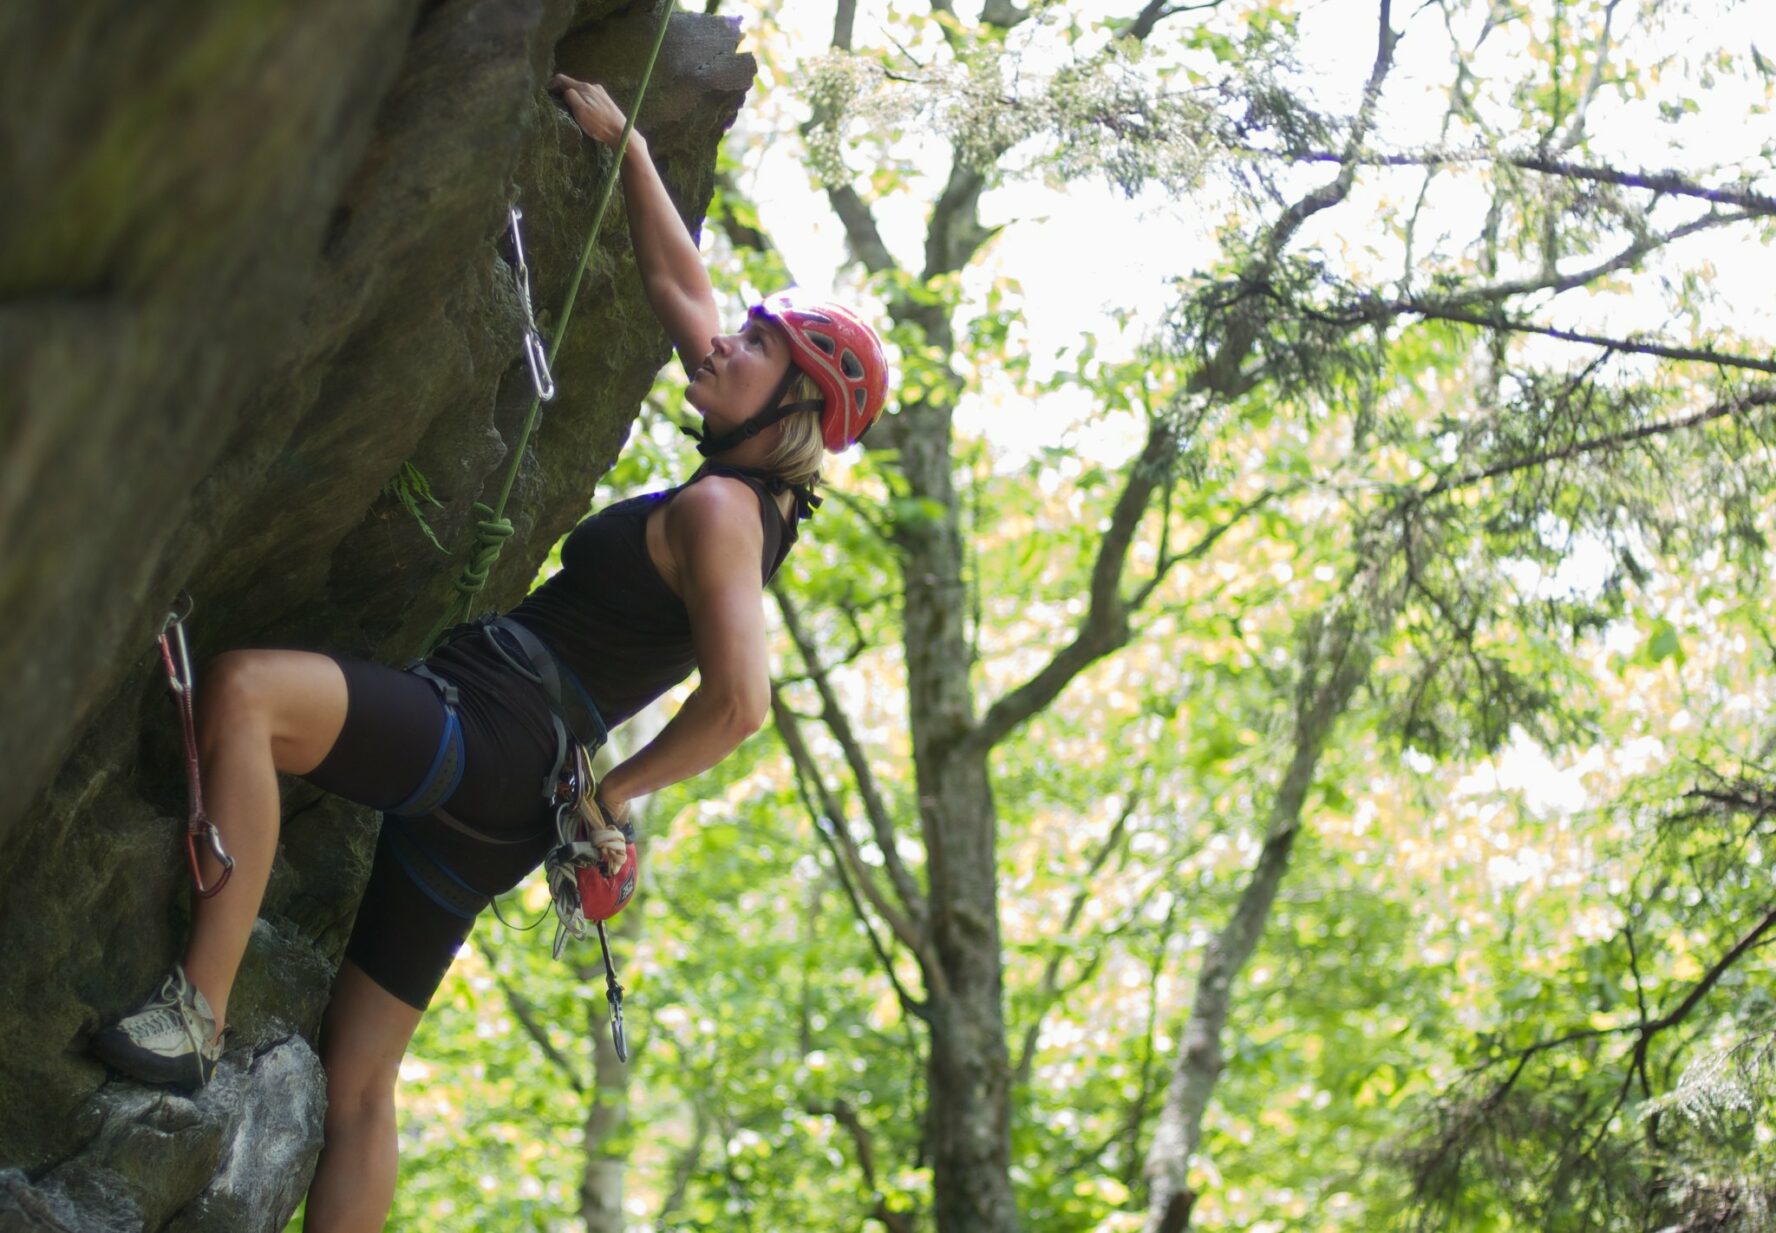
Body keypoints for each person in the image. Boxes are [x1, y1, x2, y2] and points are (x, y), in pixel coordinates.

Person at [90, 74, 888, 1231]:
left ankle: (195, 1015)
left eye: (758, 346)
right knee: (361, 1084)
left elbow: (741, 704)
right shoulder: (752, 498)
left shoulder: (724, 512)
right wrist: (629, 147)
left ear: (793, 409)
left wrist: (616, 793)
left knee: (250, 695)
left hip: (493, 735)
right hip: (512, 799)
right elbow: (681, 289)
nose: (727, 342)